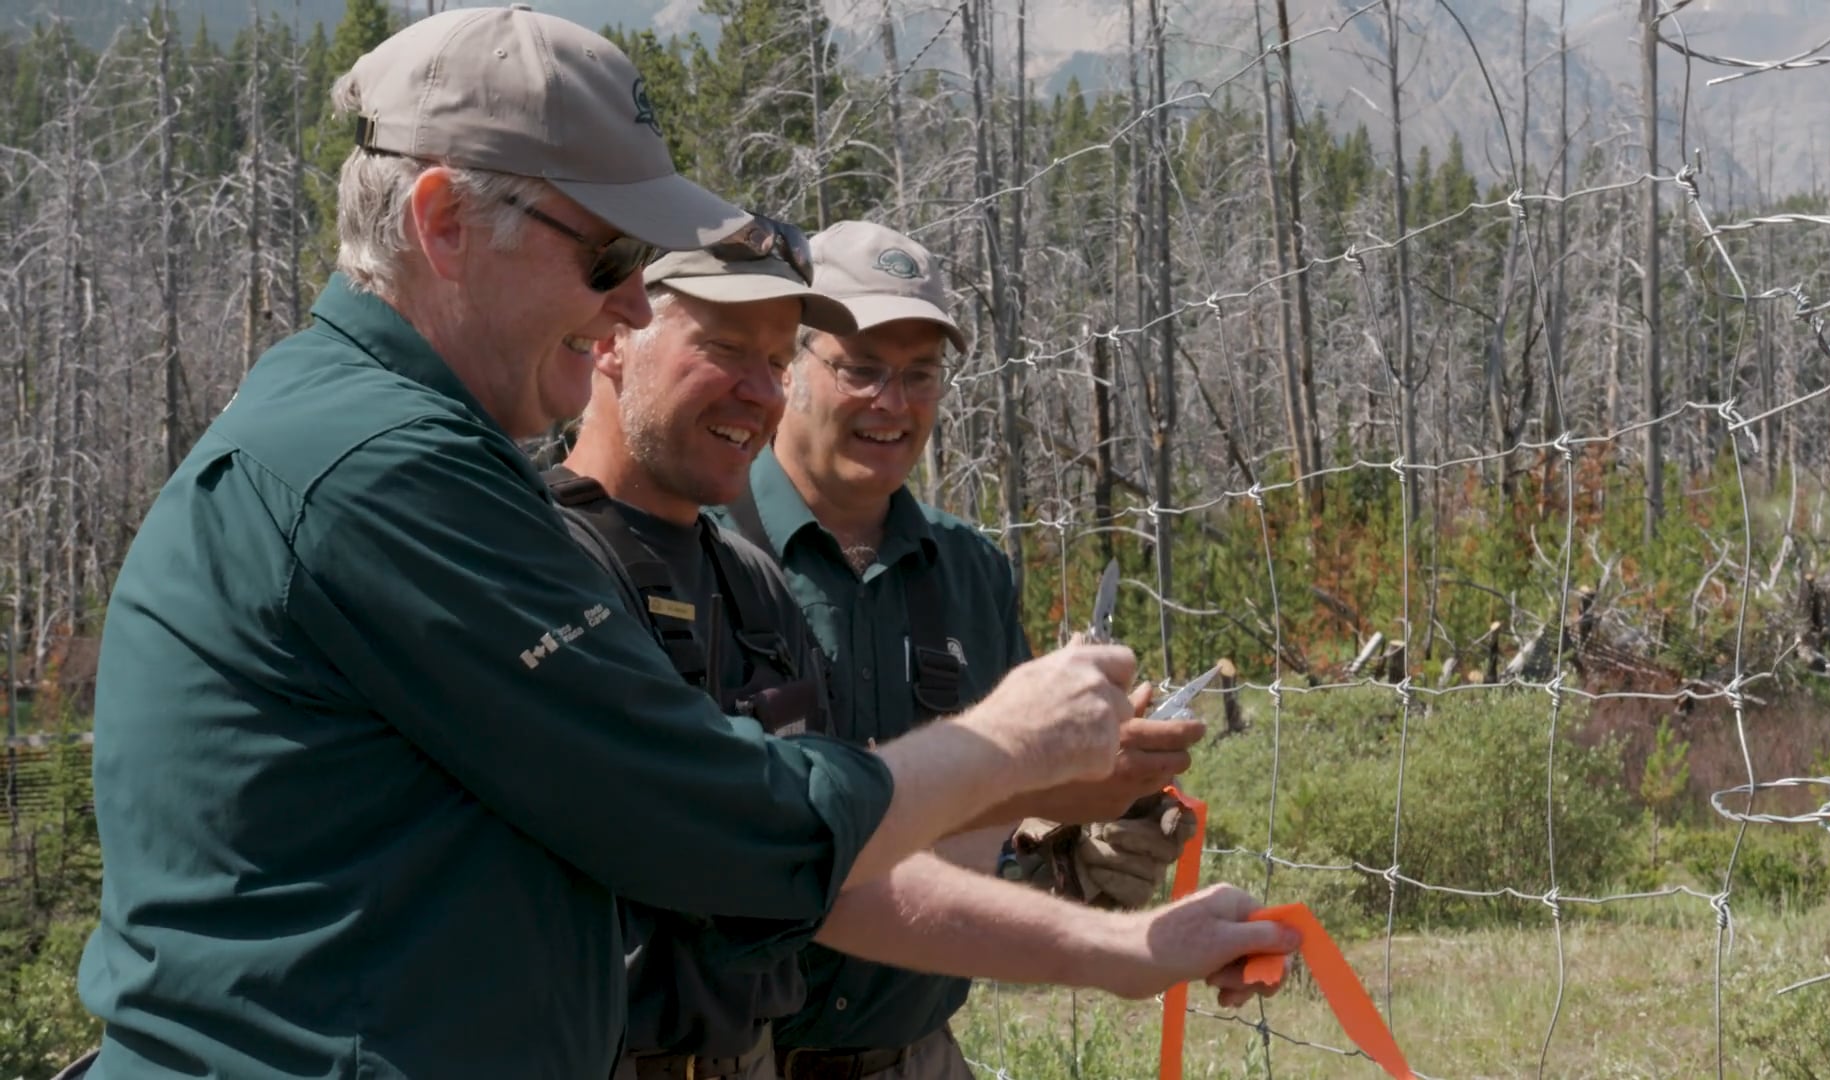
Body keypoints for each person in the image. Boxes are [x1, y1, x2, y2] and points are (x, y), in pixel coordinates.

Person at [70, 11, 1187, 1078]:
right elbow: (722, 823)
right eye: (609, 258)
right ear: (443, 223)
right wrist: (1009, 747)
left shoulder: (394, 446)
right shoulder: (387, 472)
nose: (627, 307)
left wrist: (1087, 897)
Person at [555, 235, 1300, 1080]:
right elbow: (773, 843)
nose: (889, 402)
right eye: (725, 347)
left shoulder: (754, 583)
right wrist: (1016, 756)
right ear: (612, 332)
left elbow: (837, 869)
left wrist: (1094, 881)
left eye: (919, 374)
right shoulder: (536, 563)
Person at [715, 221, 1208, 1080]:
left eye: (919, 375)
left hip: (917, 1056)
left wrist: (1087, 815)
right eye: (860, 368)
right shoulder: (702, 546)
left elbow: (986, 823)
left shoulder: (972, 572)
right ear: (788, 365)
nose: (892, 404)